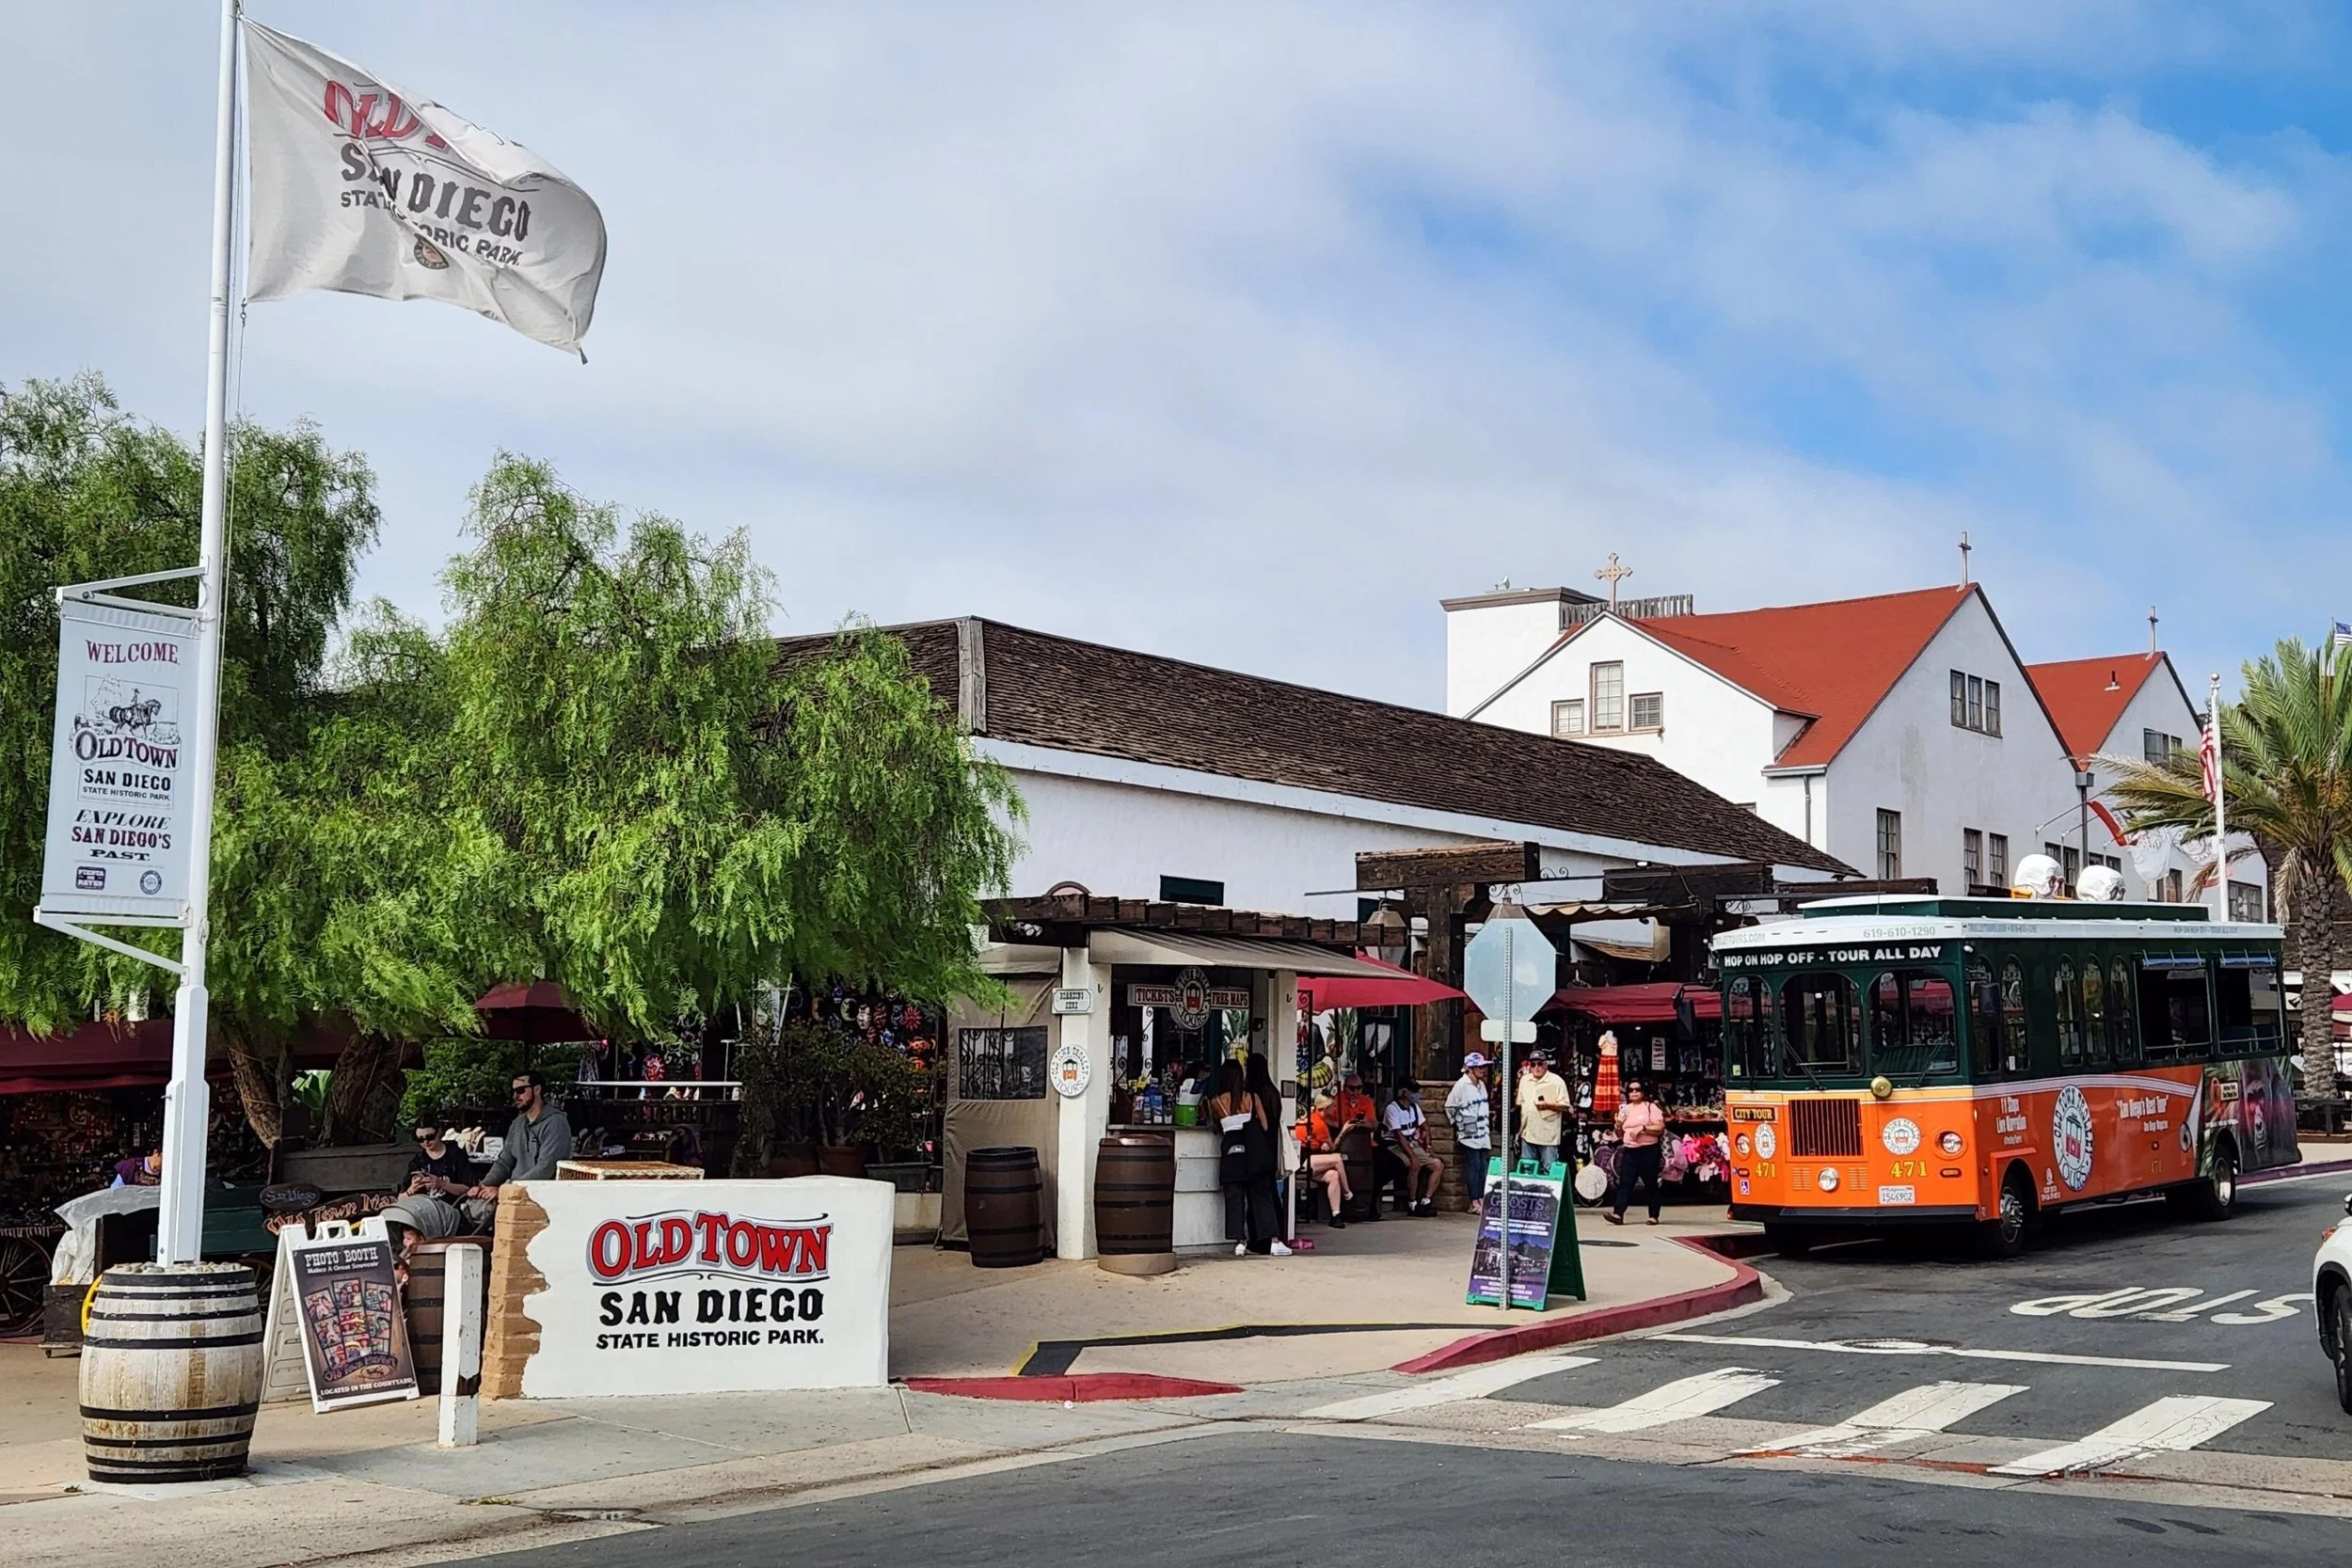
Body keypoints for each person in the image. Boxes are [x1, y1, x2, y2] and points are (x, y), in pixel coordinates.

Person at [1206, 1061, 1286, 1257]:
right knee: (1261, 1197)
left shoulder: (1216, 1102)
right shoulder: (1252, 1097)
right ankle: (1274, 1241)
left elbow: (1216, 1127)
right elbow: (1266, 1126)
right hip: (1252, 1153)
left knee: (1234, 1199)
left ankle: (1239, 1242)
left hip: (1231, 1154)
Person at [1242, 1054, 1294, 1255]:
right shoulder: (1273, 1092)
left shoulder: (1253, 1094)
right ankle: (1278, 1234)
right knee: (1271, 1192)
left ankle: (1262, 1239)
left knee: (1258, 1195)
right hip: (1272, 1146)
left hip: (1257, 1146)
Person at [1332, 1069, 1398, 1218]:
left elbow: (1374, 1124)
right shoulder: (1337, 1101)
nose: (1355, 1092)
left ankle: (1372, 1198)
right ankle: (1355, 1205)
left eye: (1359, 1088)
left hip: (1366, 1146)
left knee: (1391, 1163)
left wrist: (1364, 1124)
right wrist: (1345, 1125)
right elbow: (1328, 1120)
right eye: (1352, 1088)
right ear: (1345, 1087)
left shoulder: (1366, 1101)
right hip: (1345, 1145)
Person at [1607, 1078, 1667, 1226]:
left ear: (1643, 1092)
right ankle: (1618, 1214)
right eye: (1631, 1090)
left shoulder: (1650, 1107)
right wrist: (1618, 1124)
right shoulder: (1625, 1109)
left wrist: (1643, 1128)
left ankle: (1653, 1215)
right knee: (1625, 1183)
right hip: (1630, 1150)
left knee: (1650, 1183)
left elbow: (1660, 1127)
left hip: (1648, 1150)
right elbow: (1620, 1134)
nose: (1634, 1092)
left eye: (1637, 1089)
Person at [1383, 1081, 1445, 1215]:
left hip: (1412, 1143)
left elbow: (1425, 1127)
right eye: (1412, 1091)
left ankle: (1426, 1201)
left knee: (1437, 1165)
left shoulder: (1414, 1108)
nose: (1415, 1094)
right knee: (1414, 1164)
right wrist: (1412, 1156)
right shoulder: (1392, 1109)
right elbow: (1398, 1136)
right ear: (1404, 1092)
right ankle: (1412, 1203)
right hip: (1395, 1146)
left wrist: (1428, 1146)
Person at [1294, 1093, 1350, 1227]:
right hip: (1302, 1159)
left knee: (1333, 1175)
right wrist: (1344, 1131)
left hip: (1309, 1158)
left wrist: (1321, 1146)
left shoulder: (1313, 1119)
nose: (1335, 1109)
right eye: (1334, 1106)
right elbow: (1333, 1147)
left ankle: (1336, 1215)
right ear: (1326, 1107)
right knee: (1337, 1159)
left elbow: (1323, 1146)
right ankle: (1348, 1193)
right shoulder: (1319, 1124)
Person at [1445, 1053, 1494, 1207]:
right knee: (1473, 1165)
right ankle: (1474, 1200)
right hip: (1470, 1131)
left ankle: (1480, 1197)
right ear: (1470, 1069)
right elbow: (1450, 1106)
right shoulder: (1461, 1085)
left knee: (1481, 1166)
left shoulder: (1482, 1085)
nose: (1483, 1070)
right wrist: (1462, 1123)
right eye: (1479, 1067)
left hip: (1483, 1132)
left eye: (1484, 1067)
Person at [1517, 1048, 1571, 1169]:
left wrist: (1549, 1106)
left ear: (1546, 1064)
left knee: (1549, 1170)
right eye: (1533, 1064)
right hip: (1528, 1135)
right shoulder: (1524, 1080)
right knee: (1527, 1170)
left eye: (1540, 1064)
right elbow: (1521, 1105)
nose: (1537, 1067)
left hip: (1548, 1138)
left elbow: (1566, 1105)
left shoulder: (1557, 1081)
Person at [404, 1121, 474, 1197]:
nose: (426, 1142)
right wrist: (411, 1190)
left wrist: (442, 1184)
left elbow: (468, 1189)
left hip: (450, 1206)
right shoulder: (417, 1161)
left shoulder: (457, 1155)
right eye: (420, 1139)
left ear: (439, 1133)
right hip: (422, 1205)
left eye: (430, 1137)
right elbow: (400, 1197)